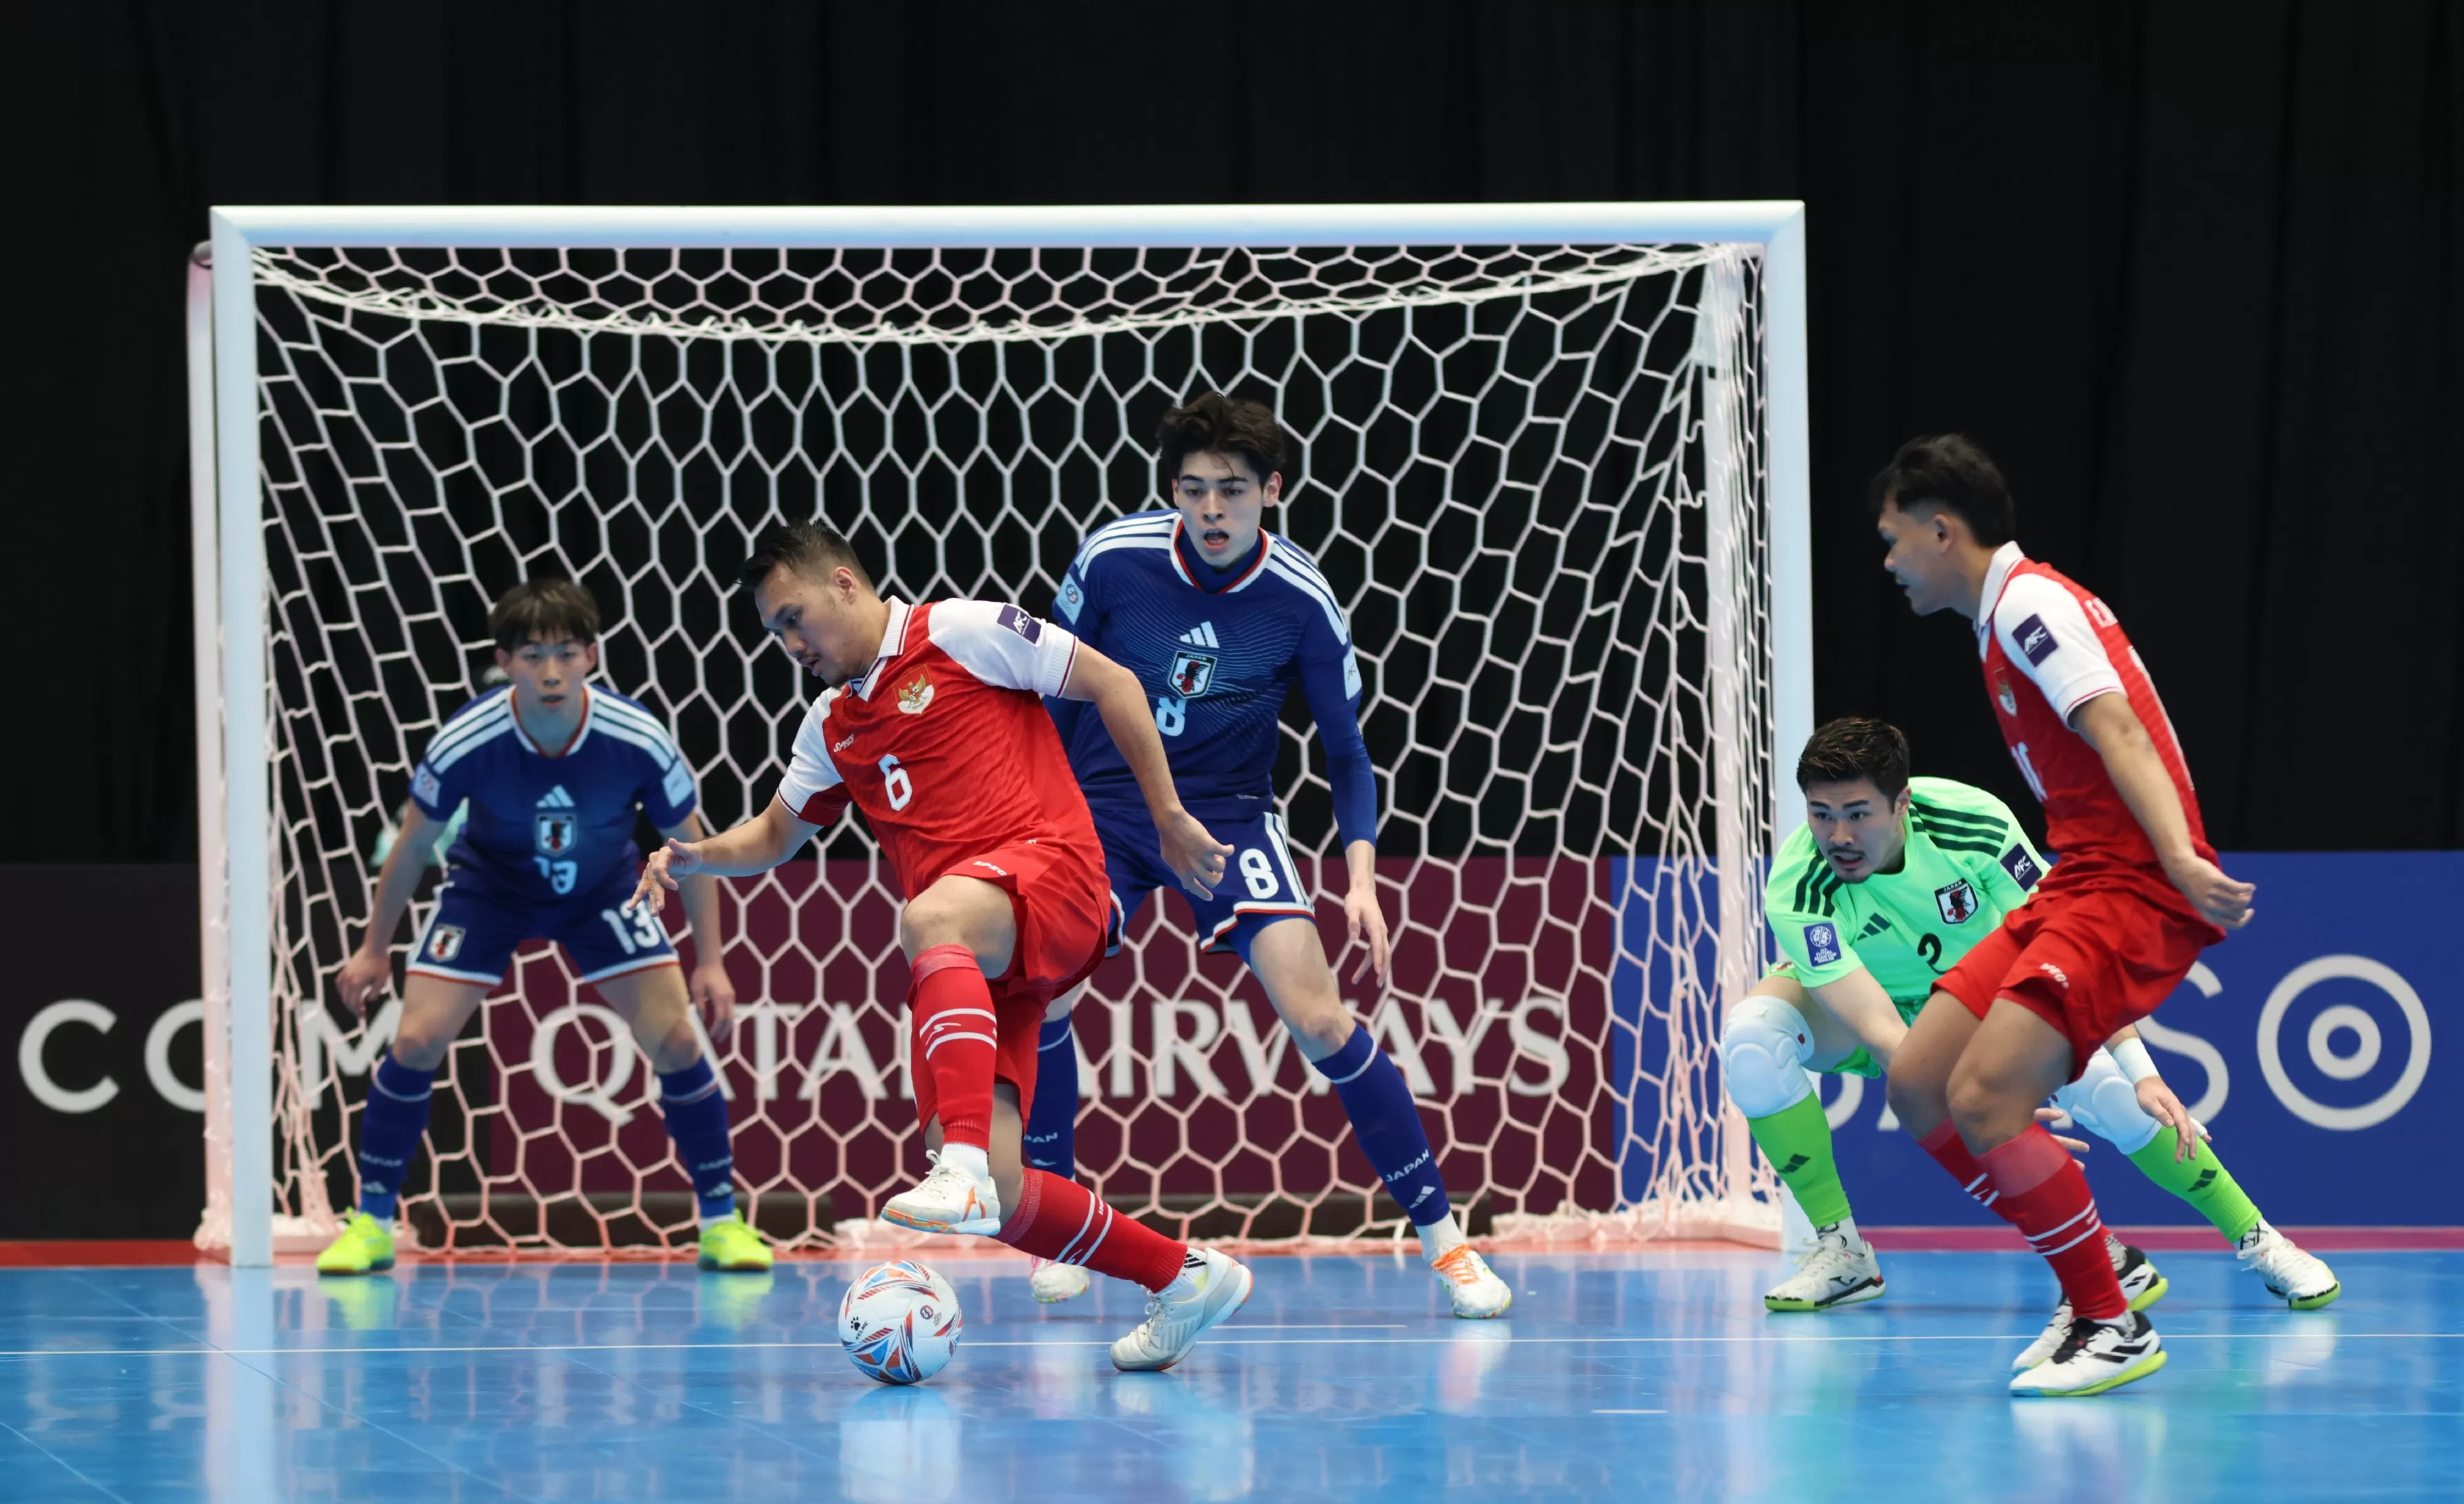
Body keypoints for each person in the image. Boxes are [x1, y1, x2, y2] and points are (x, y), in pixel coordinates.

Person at [629, 521, 1258, 1372]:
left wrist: (1168, 815)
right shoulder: (832, 725)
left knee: (928, 922)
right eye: (773, 630)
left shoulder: (961, 632)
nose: (789, 643)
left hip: (1057, 875)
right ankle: (1185, 1276)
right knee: (1004, 1195)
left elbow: (1112, 682)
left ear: (846, 583)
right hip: (988, 947)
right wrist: (697, 854)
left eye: (795, 617)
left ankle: (956, 1161)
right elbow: (777, 836)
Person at [1018, 391, 1511, 1319]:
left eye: (1233, 491)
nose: (1211, 511)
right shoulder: (1113, 560)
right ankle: (1059, 1223)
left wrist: (1361, 877)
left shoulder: (1300, 599)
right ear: (1173, 489)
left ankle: (1447, 1245)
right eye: (1194, 490)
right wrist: (1035, 818)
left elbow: (1347, 752)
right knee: (1047, 986)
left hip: (1232, 818)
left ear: (1271, 491)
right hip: (1109, 807)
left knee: (1322, 1018)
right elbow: (1049, 687)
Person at [1730, 717, 2337, 1350]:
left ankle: (2258, 1237)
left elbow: (2072, 946)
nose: (1838, 835)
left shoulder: (1974, 826)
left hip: (1980, 1000)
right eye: (1820, 815)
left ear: (1901, 802)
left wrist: (2138, 1065)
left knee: (2111, 1093)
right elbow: (1884, 1033)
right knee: (1750, 1038)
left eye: (1858, 813)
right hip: (1875, 1015)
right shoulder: (1797, 886)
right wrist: (1989, 1115)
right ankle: (1840, 1249)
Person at [1869, 434, 2259, 1397]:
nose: (1887, 564)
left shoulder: (2033, 604)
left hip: (2126, 884)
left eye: (1893, 540)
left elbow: (2116, 725)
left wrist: (2175, 857)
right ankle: (2103, 1271)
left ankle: (2108, 1321)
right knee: (1920, 1084)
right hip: (2078, 878)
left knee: (1984, 1098)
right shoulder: (1998, 616)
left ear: (1942, 528)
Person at [316, 577, 769, 1275]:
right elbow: (410, 848)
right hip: (488, 889)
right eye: (532, 655)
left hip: (603, 891)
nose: (550, 671)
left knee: (679, 1039)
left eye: (565, 652)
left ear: (592, 655)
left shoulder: (638, 737)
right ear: (504, 661)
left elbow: (691, 849)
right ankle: (372, 1220)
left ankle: (720, 1220)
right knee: (414, 1038)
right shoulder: (466, 740)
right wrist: (374, 948)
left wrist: (711, 960)